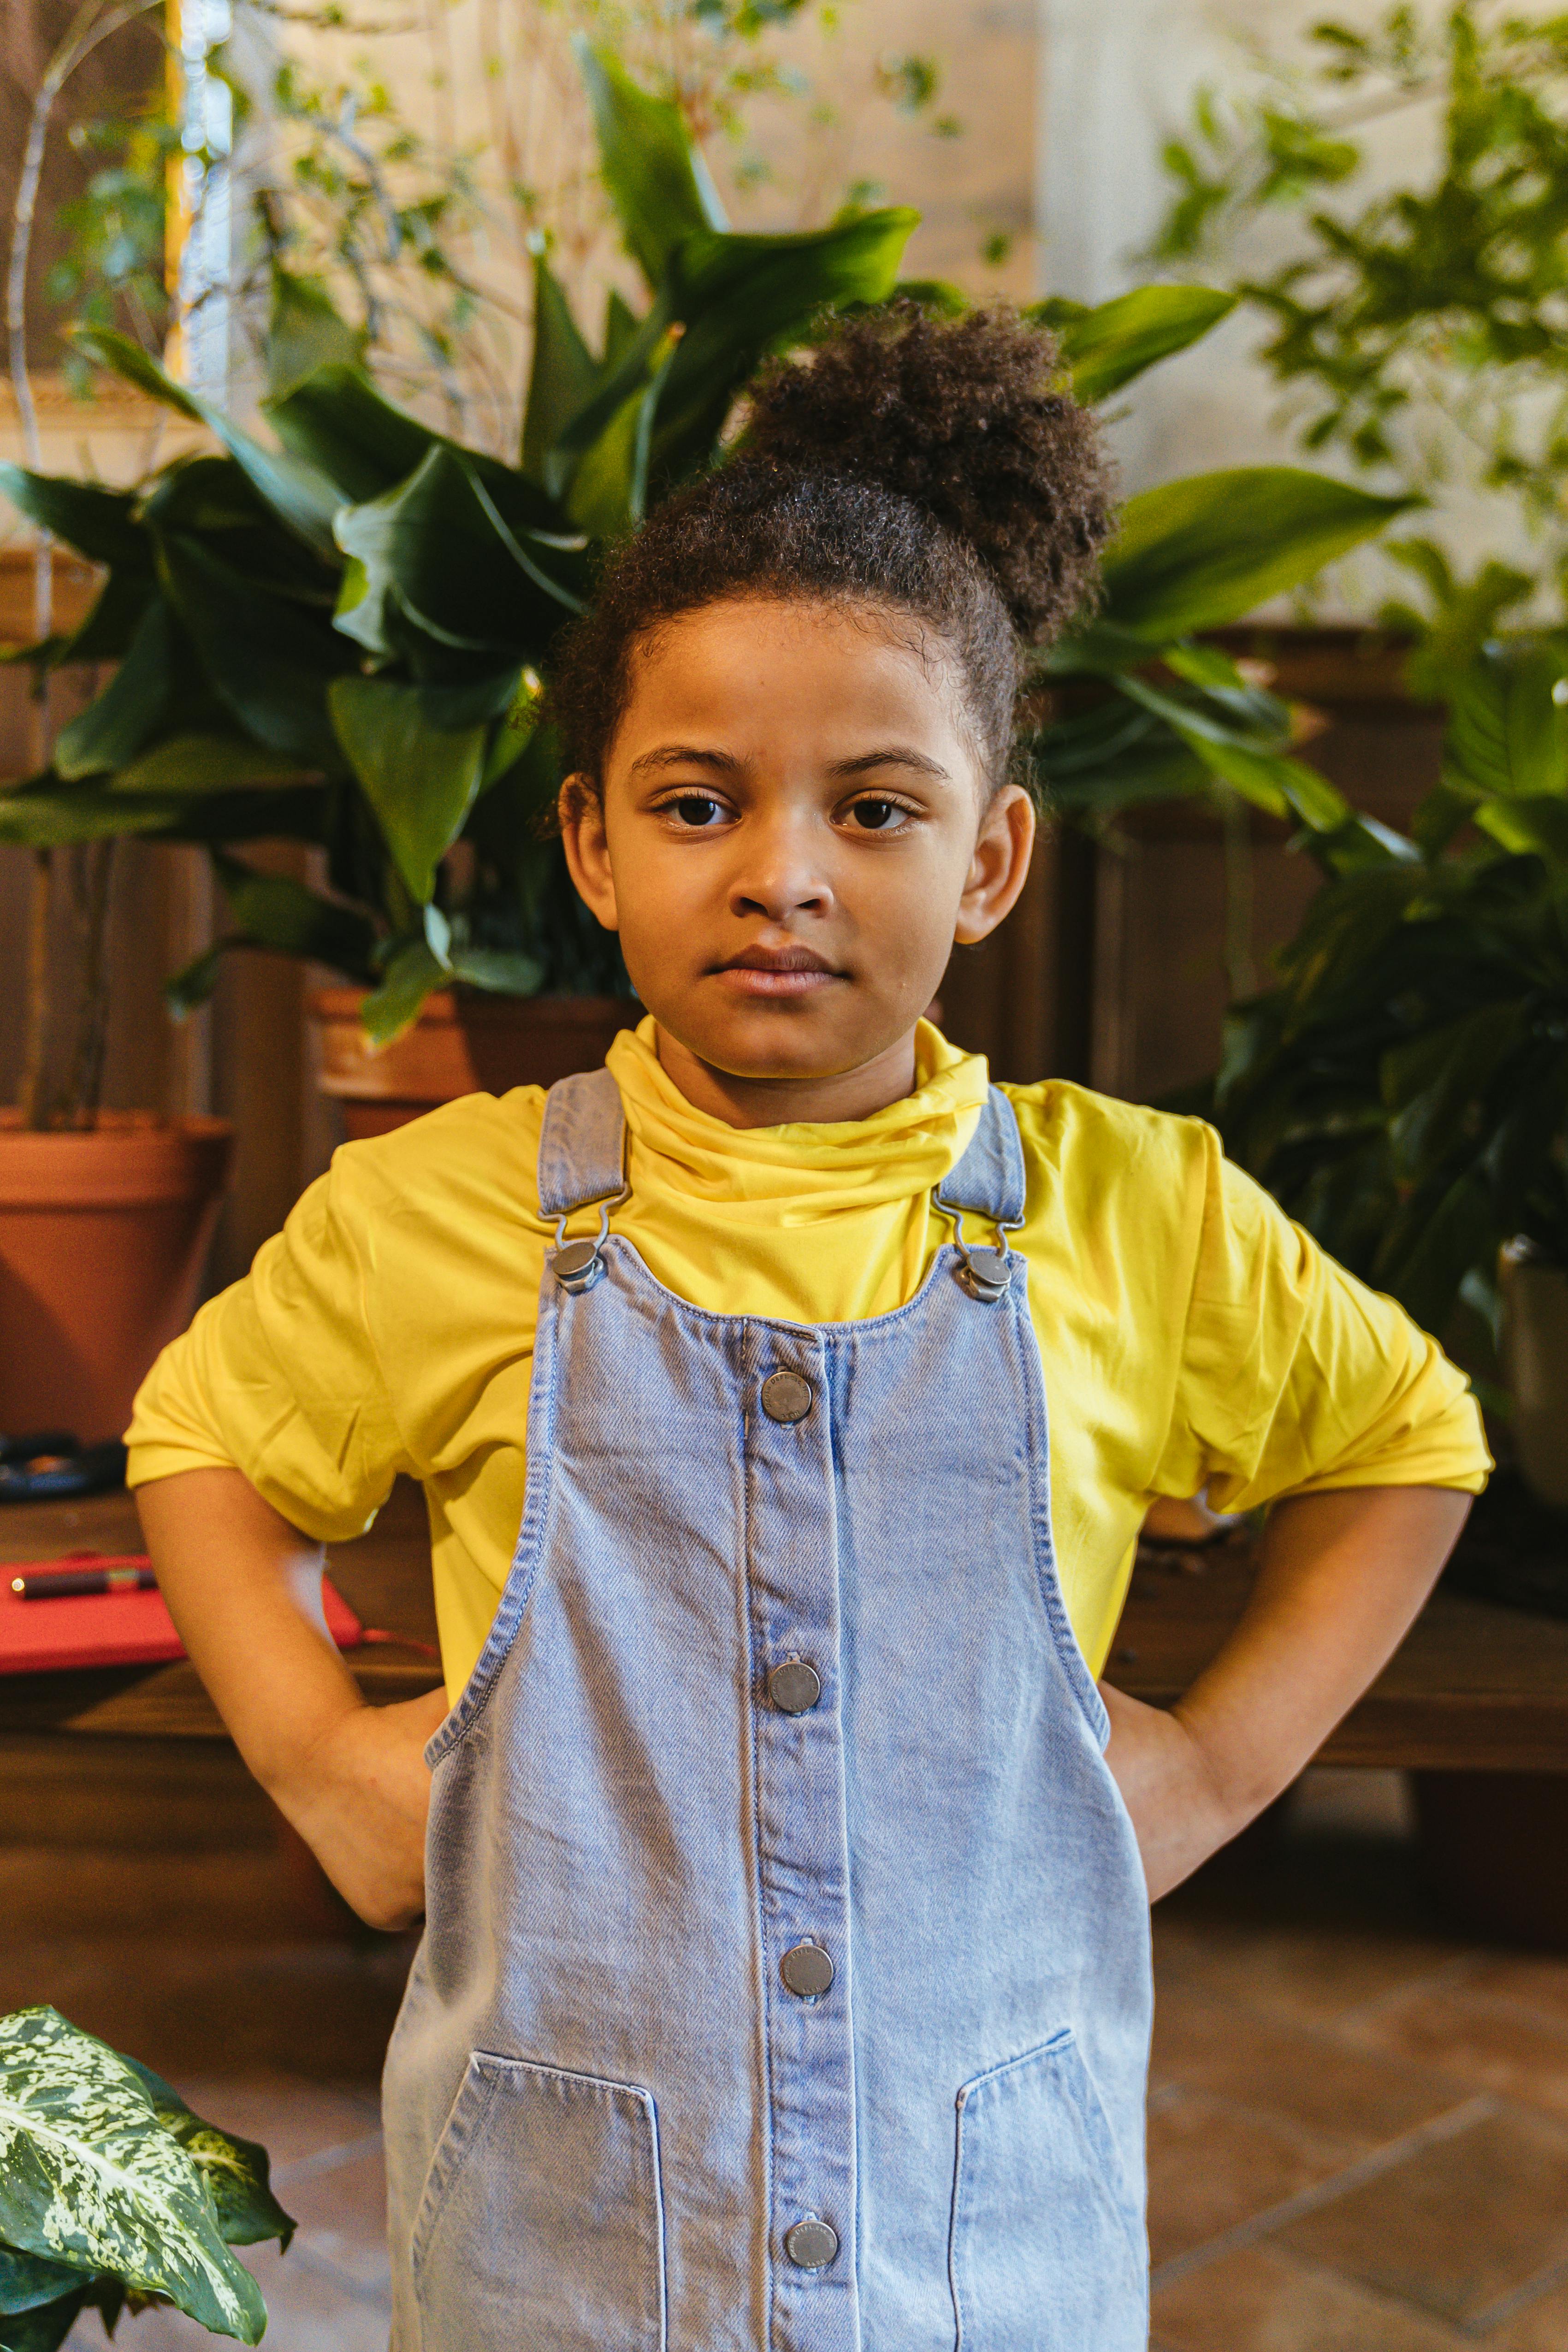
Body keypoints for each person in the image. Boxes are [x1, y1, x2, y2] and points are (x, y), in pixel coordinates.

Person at [129, 307, 1489, 2352]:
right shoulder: (446, 1206)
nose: (781, 875)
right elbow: (203, 1433)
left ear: (989, 858)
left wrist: (1211, 1772)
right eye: (696, 805)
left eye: (872, 808)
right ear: (587, 840)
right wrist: (318, 1760)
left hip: (985, 2256)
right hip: (560, 2253)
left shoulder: (1134, 1210)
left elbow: (1406, 1435)